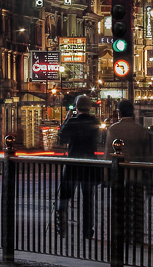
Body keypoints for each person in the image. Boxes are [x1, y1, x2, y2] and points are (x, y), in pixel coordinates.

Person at [56, 94, 100, 239]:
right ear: (89, 107)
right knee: (88, 198)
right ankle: (88, 230)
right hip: (89, 164)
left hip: (73, 162)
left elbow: (62, 138)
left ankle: (61, 226)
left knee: (65, 195)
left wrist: (67, 119)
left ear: (76, 107)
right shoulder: (95, 121)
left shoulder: (72, 122)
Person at [106, 99, 149, 243]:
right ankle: (137, 235)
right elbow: (146, 154)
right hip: (137, 172)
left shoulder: (113, 129)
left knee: (120, 205)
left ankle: (121, 234)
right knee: (137, 206)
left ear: (119, 112)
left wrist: (107, 175)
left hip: (119, 174)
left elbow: (107, 155)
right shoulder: (141, 130)